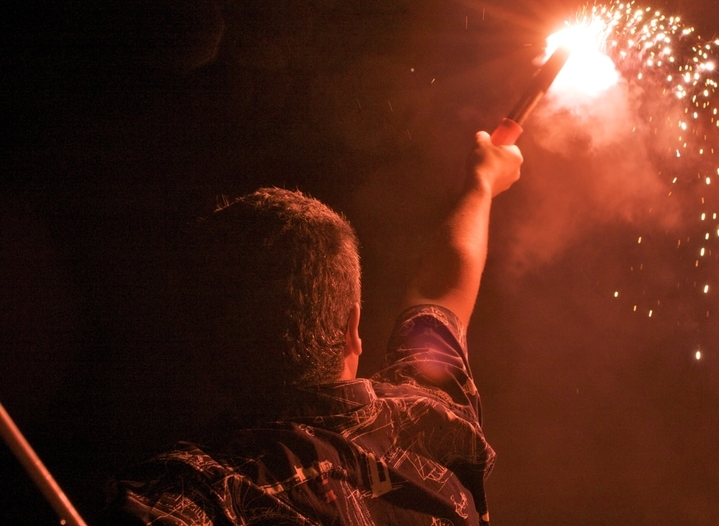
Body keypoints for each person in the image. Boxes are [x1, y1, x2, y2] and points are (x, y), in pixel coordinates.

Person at [99, 130, 523, 525]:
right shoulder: (429, 418)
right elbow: (442, 288)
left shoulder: (194, 491)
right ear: (352, 327)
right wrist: (481, 182)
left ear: (207, 345)